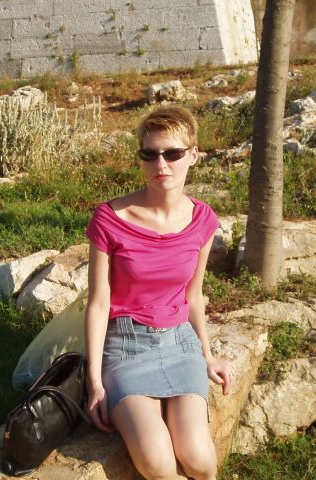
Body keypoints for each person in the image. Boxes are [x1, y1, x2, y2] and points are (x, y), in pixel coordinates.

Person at [84, 105, 234, 480]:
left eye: (173, 153)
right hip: (126, 346)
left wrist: (207, 354)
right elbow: (99, 303)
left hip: (180, 343)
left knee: (200, 459)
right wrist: (94, 382)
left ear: (194, 155)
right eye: (149, 154)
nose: (161, 164)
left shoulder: (202, 219)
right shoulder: (109, 218)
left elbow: (194, 295)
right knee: (158, 463)